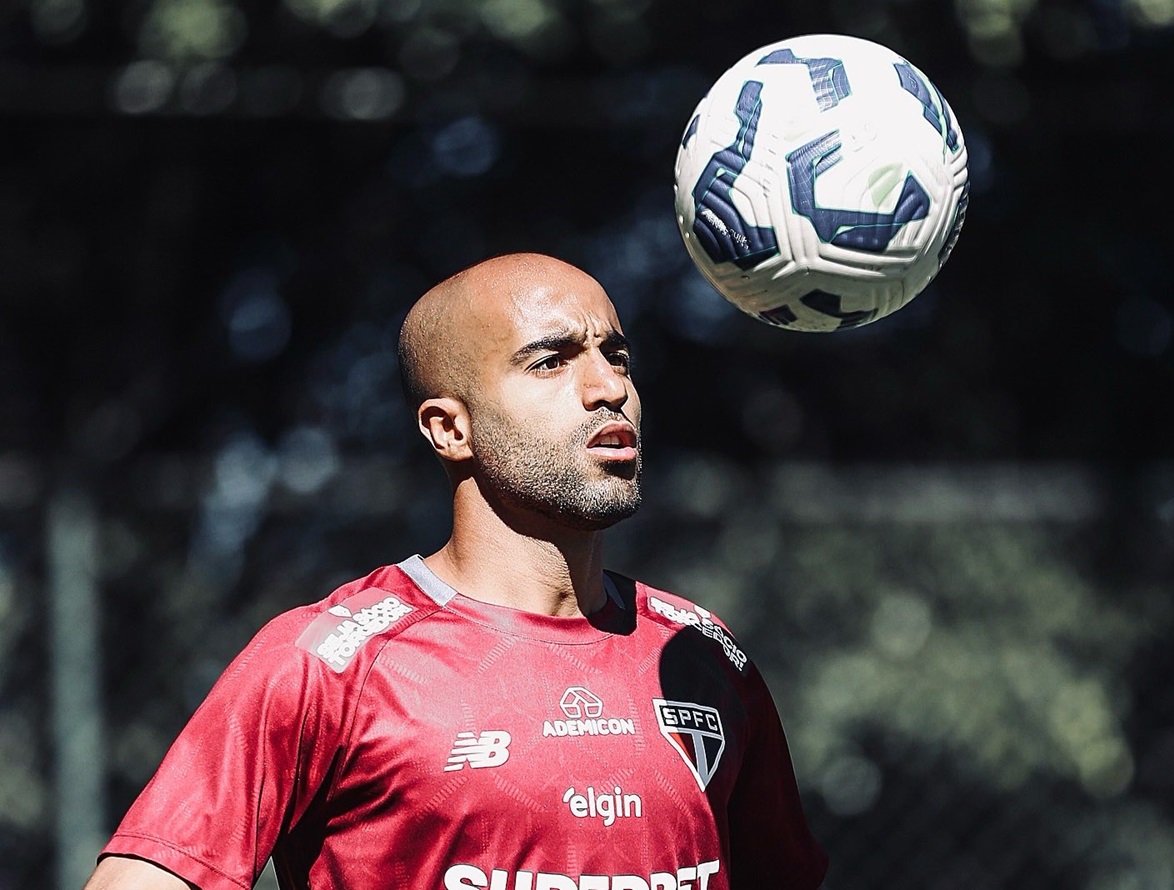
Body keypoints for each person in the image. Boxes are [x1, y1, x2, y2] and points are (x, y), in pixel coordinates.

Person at [83, 253, 828, 890]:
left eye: (617, 355)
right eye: (551, 360)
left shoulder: (701, 656)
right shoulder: (326, 664)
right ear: (449, 428)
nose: (608, 388)